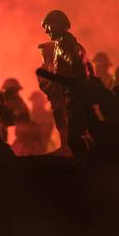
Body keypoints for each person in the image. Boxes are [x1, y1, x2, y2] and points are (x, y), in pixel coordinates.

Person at [37, 10, 89, 159]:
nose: (46, 31)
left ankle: (87, 169)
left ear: (58, 24)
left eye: (48, 26)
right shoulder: (67, 44)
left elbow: (77, 68)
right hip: (74, 95)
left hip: (75, 96)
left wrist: (71, 89)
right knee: (77, 135)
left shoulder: (65, 45)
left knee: (75, 138)